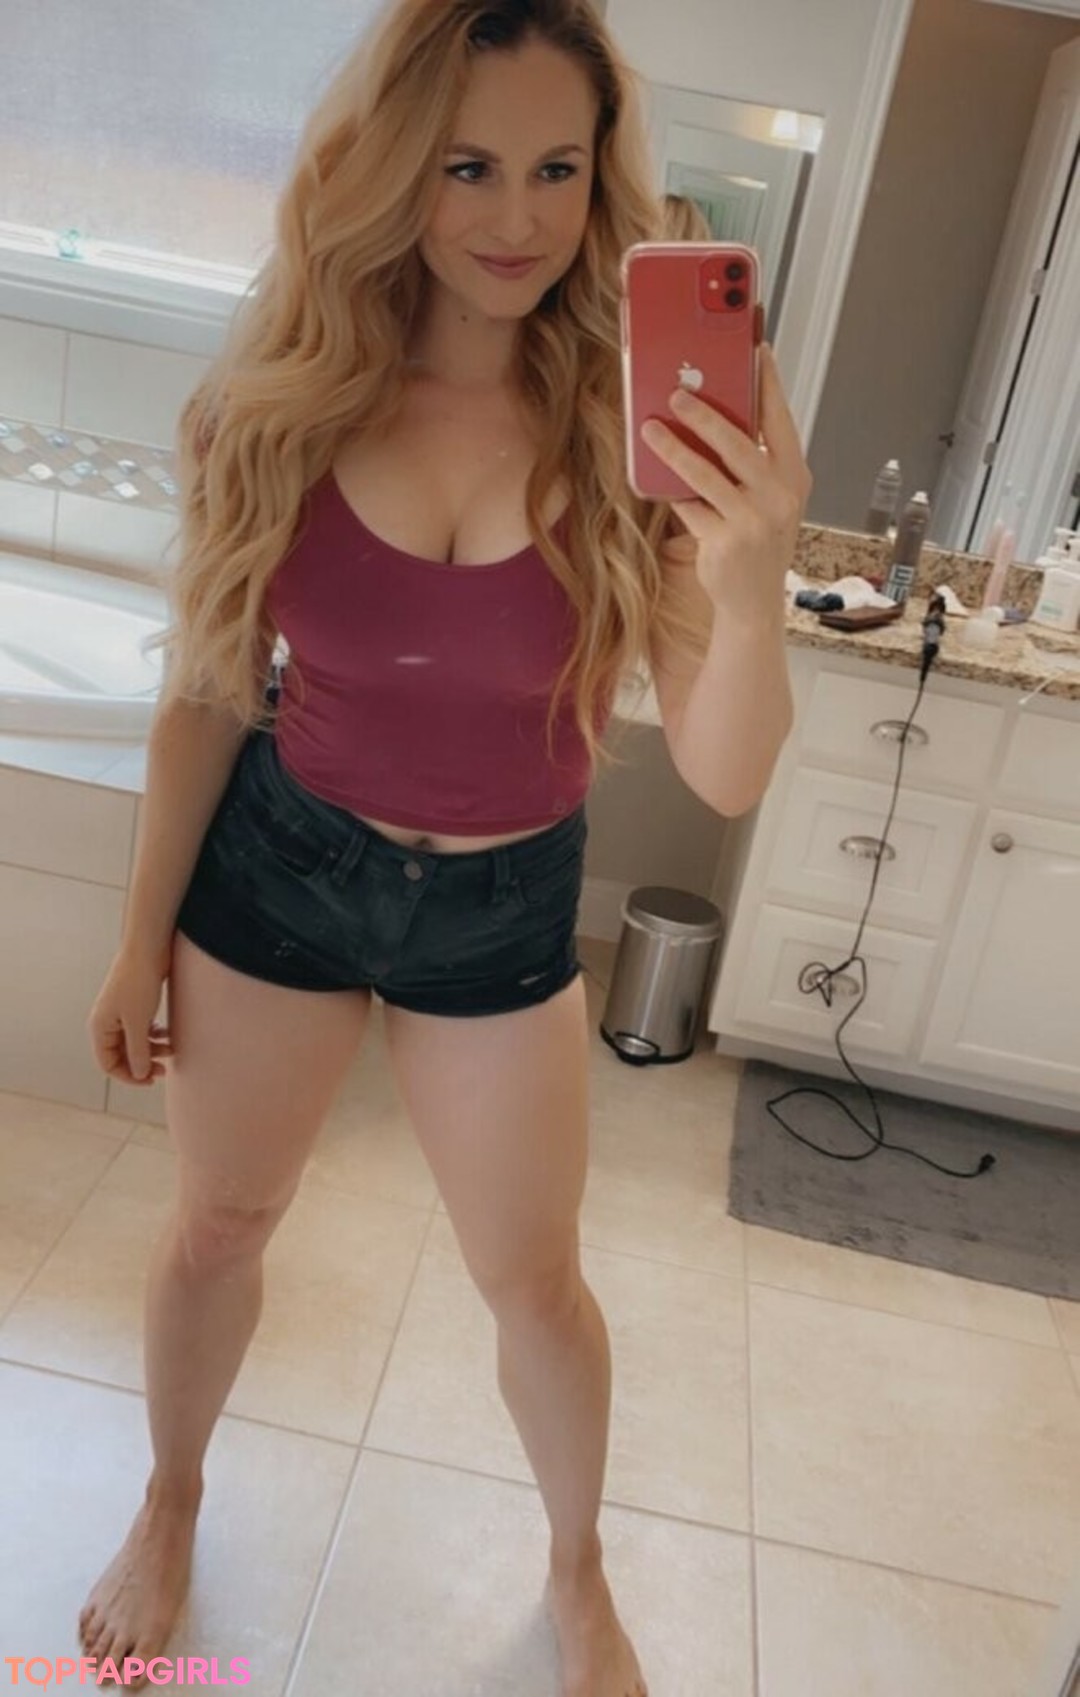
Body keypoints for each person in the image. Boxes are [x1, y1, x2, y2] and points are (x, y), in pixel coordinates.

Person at [79, 3, 811, 1693]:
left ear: (604, 179)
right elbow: (208, 693)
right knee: (218, 1223)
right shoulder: (275, 406)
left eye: (559, 168)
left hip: (502, 905)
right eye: (467, 166)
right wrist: (136, 937)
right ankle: (171, 1497)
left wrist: (753, 581)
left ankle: (577, 1568)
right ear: (392, 165)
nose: (517, 218)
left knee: (535, 1283)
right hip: (281, 867)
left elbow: (723, 770)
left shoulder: (640, 435)